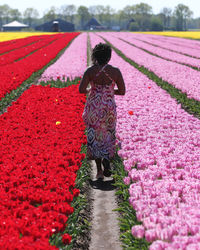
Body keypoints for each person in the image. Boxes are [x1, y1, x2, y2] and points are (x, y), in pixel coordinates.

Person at [79, 43, 125, 179]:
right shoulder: (115, 72)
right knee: (108, 134)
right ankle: (107, 161)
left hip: (94, 107)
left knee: (94, 136)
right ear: (109, 57)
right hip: (109, 108)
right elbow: (122, 91)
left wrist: (92, 90)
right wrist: (109, 91)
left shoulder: (90, 71)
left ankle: (99, 171)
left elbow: (81, 90)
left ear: (95, 56)